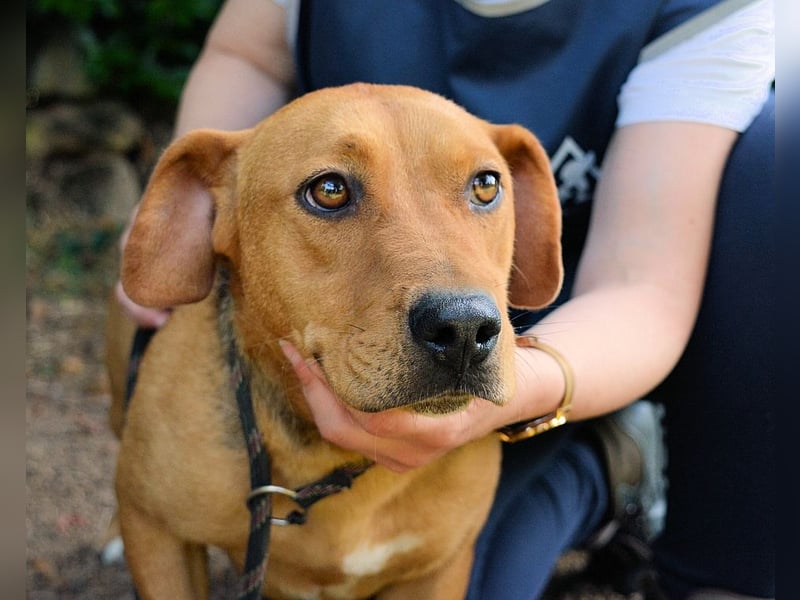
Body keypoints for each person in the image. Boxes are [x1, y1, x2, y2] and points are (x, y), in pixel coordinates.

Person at [115, 0, 776, 597]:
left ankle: (613, 453)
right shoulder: (190, 425)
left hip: (565, 338)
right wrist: (184, 210)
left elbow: (642, 288)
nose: (454, 313)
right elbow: (246, 55)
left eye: (483, 188)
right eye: (331, 192)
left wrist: (527, 385)